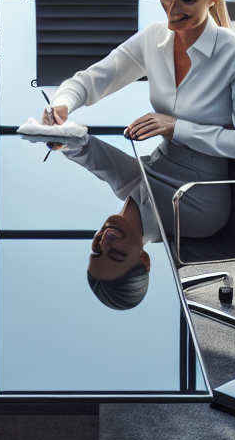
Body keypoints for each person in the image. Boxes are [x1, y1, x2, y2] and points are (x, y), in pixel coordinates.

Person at [44, 0, 235, 240]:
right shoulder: (154, 38)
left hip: (200, 195)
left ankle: (126, 252)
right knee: (80, 149)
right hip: (156, 167)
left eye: (186, 0)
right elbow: (95, 78)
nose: (172, 9)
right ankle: (128, 251)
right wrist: (63, 103)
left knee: (117, 196)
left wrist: (177, 128)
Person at [55, 133, 163, 310]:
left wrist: (60, 137)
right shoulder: (172, 215)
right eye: (116, 254)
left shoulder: (129, 188)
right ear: (143, 259)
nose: (104, 241)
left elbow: (93, 156)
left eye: (97, 251)